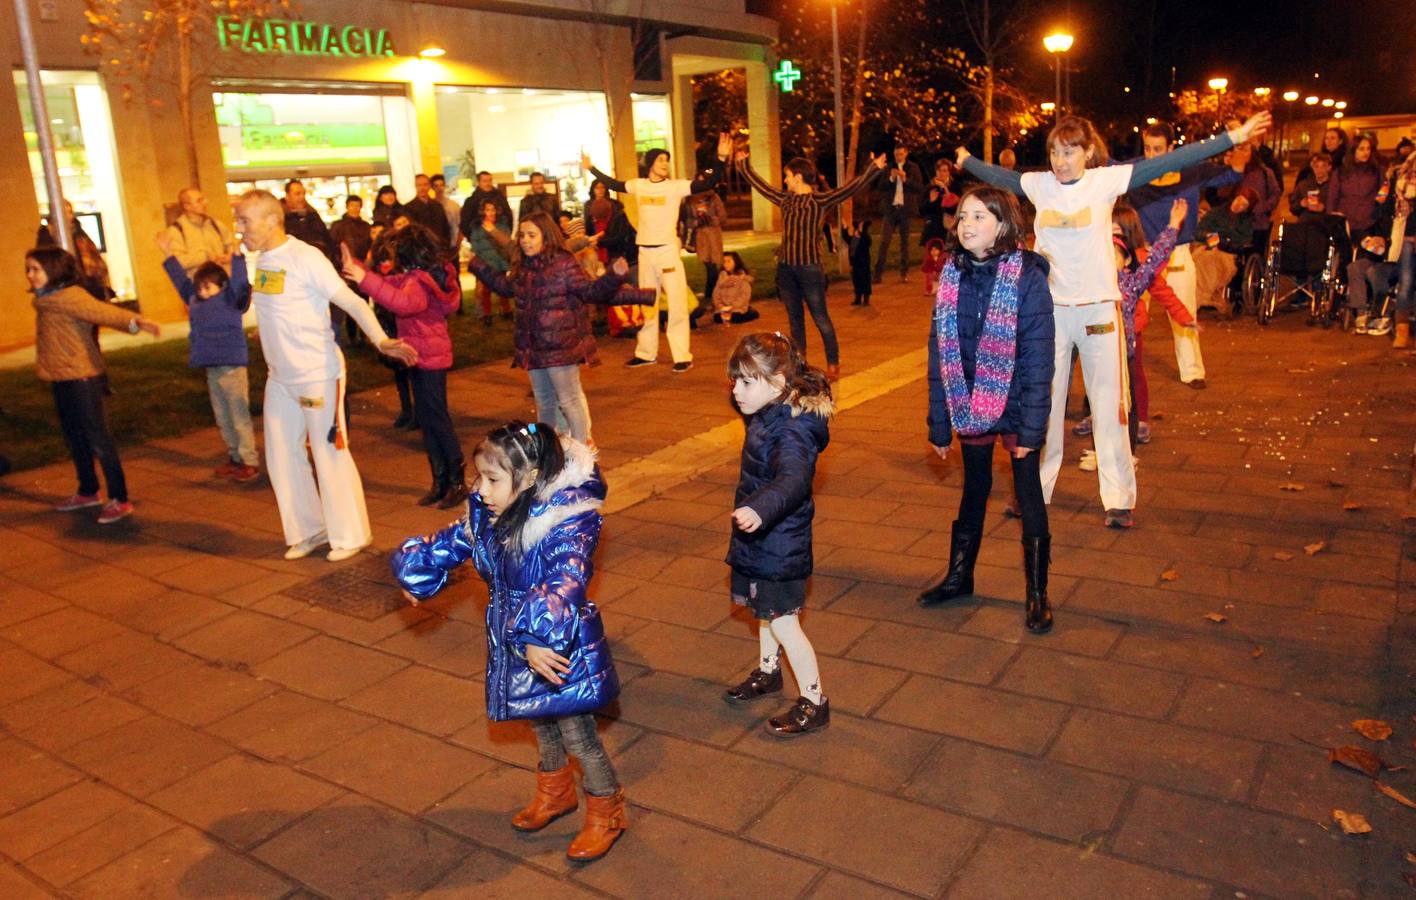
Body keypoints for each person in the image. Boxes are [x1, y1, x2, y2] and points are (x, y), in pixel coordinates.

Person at [958, 110, 1272, 528]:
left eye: (1069, 152)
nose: (1060, 160)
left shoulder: (1104, 182)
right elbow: (999, 176)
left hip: (1098, 312)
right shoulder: (1040, 186)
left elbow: (1170, 162)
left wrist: (1232, 136)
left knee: (1109, 405)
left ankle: (1118, 499)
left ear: (1088, 153)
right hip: (1049, 315)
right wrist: (965, 161)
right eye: (1054, 152)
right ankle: (1035, 492)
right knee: (1041, 407)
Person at [394, 421, 626, 862]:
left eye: (493, 479)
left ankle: (607, 811)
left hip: (557, 645)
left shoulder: (569, 520)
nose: (481, 490)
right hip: (516, 640)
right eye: (479, 477)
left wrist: (540, 635)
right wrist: (416, 570)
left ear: (532, 478)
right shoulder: (492, 514)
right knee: (538, 722)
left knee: (578, 735)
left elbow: (566, 578)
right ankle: (556, 793)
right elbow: (452, 542)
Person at [233, 189, 417, 561]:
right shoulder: (264, 259)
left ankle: (351, 535)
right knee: (282, 455)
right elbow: (276, 306)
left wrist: (380, 340)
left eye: (244, 221)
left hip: (317, 373)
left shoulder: (305, 256)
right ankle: (309, 530)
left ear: (271, 220)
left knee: (329, 452)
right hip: (279, 377)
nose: (239, 230)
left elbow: (349, 300)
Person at [917, 187, 1055, 631]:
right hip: (970, 401)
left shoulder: (1028, 276)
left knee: (1027, 492)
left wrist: (1032, 431)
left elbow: (1039, 358)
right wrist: (940, 423)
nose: (967, 223)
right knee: (974, 488)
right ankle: (960, 577)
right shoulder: (952, 275)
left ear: (1004, 224)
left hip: (1016, 404)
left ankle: (1037, 593)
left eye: (979, 215)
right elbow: (940, 354)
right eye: (963, 216)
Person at [721, 332, 836, 735]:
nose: (736, 391)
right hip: (761, 538)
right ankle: (769, 672)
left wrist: (759, 507)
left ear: (780, 384)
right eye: (734, 381)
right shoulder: (768, 411)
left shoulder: (792, 429)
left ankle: (814, 699)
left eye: (746, 382)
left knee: (784, 622)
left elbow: (794, 479)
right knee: (765, 612)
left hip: (779, 542)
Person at [467, 212, 655, 445]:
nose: (525, 240)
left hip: (561, 346)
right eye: (523, 235)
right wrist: (477, 265)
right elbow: (505, 287)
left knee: (569, 400)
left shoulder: (564, 263)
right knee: (544, 403)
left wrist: (614, 276)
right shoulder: (524, 266)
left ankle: (580, 452)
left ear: (546, 236)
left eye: (531, 235)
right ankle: (546, 450)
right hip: (533, 348)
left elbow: (591, 292)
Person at [28, 246, 160, 524]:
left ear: (53, 270)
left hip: (82, 378)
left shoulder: (70, 297)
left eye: (35, 269)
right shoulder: (46, 299)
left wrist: (136, 322)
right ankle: (88, 490)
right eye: (28, 269)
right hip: (61, 378)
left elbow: (103, 312)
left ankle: (120, 498)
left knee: (98, 438)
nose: (30, 275)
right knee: (75, 438)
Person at [583, 134, 733, 373]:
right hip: (645, 253)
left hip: (667, 252)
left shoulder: (675, 187)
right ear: (651, 163)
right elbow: (613, 184)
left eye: (667, 161)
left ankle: (682, 355)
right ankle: (646, 353)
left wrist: (721, 158)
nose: (665, 164)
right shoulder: (639, 185)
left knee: (676, 303)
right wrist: (591, 168)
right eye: (661, 160)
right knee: (647, 303)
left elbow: (707, 183)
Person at [342, 224, 466, 509]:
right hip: (419, 355)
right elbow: (391, 286)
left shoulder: (419, 282)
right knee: (428, 418)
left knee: (437, 419)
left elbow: (403, 303)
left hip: (429, 357)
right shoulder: (417, 277)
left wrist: (362, 276)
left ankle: (455, 481)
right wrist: (360, 269)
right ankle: (440, 480)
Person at [736, 150, 886, 381]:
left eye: (787, 176)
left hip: (810, 269)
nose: (784, 181)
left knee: (820, 318)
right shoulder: (785, 199)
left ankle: (833, 363)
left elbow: (850, 189)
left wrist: (872, 167)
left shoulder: (819, 200)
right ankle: (798, 364)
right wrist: (744, 164)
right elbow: (762, 186)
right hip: (786, 268)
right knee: (795, 319)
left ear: (798, 176)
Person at [1124, 121, 1244, 388]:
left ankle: (1192, 371)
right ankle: (1123, 369)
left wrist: (1240, 142)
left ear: (1172, 147)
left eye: (1158, 149)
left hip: (1177, 252)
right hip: (1142, 252)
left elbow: (1233, 173)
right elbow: (1103, 167)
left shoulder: (1189, 169)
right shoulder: (1136, 169)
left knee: (1185, 310)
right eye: (1148, 148)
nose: (1153, 155)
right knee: (1129, 314)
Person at [156, 231, 259, 482]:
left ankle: (250, 461)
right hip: (212, 368)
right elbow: (181, 281)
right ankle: (235, 457)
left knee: (239, 417)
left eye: (207, 287)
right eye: (200, 288)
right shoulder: (195, 299)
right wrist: (168, 254)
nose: (202, 292)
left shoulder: (230, 299)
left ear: (221, 285)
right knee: (223, 417)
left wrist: (236, 256)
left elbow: (240, 282)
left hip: (232, 368)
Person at [583, 180, 639, 338]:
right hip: (615, 256)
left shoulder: (617, 217)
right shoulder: (610, 214)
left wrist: (599, 242)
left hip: (623, 257)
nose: (596, 222)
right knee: (616, 288)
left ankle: (625, 323)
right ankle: (619, 323)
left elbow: (618, 239)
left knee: (622, 288)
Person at [37, 201, 112, 301]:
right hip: (62, 289)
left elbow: (95, 262)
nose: (68, 216)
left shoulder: (80, 234)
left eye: (69, 212)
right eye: (64, 212)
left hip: (87, 286)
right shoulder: (45, 238)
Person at [874, 145, 924, 283]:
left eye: (901, 154)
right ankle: (878, 273)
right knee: (884, 241)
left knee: (904, 243)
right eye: (896, 154)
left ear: (906, 153)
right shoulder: (889, 167)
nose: (898, 157)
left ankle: (904, 273)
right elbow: (880, 186)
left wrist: (905, 179)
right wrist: (891, 178)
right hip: (890, 209)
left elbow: (919, 187)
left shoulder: (913, 168)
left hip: (906, 210)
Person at [165, 188, 235, 276]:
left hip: (224, 281)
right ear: (187, 206)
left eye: (204, 199)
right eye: (199, 201)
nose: (205, 203)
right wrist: (205, 256)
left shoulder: (215, 224)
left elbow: (231, 243)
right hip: (198, 286)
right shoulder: (176, 230)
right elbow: (176, 263)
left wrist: (230, 256)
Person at [465, 200, 515, 325]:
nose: (490, 212)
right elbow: (475, 245)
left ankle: (506, 311)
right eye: (487, 210)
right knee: (485, 291)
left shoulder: (502, 226)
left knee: (503, 287)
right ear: (483, 211)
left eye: (492, 209)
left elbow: (507, 243)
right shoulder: (477, 228)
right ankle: (487, 314)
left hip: (500, 262)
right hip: (486, 264)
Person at [681, 186, 727, 319]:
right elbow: (685, 219)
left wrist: (712, 219)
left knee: (715, 266)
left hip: (713, 234)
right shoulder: (689, 200)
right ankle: (711, 296)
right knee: (709, 266)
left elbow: (723, 217)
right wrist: (696, 221)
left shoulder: (713, 198)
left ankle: (711, 296)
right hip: (701, 236)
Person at [1329, 136, 1385, 244]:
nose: (1366, 152)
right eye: (1361, 149)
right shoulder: (1341, 172)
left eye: (1368, 149)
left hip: (1369, 223)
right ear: (1353, 150)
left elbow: (1383, 196)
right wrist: (1333, 218)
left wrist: (1376, 212)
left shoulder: (1377, 171)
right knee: (1346, 257)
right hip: (1345, 224)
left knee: (1366, 256)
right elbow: (1332, 197)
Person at [282, 180, 334, 262]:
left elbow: (328, 241)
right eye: (297, 194)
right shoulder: (280, 220)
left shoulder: (313, 215)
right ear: (287, 196)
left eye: (303, 193)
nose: (302, 197)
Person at [459, 170, 514, 240]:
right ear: (478, 182)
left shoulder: (500, 198)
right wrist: (473, 238)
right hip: (479, 238)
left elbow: (508, 216)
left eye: (490, 180)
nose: (488, 183)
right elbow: (465, 222)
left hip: (500, 238)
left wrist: (506, 235)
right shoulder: (471, 201)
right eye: (485, 181)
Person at [919, 158, 960, 246]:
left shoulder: (955, 186)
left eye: (945, 171)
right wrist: (931, 201)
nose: (942, 173)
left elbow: (957, 207)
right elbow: (921, 210)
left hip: (949, 227)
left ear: (949, 172)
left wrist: (945, 190)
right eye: (939, 171)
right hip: (933, 228)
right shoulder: (930, 187)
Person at [404, 173, 453, 246]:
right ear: (415, 186)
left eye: (425, 184)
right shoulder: (408, 208)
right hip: (421, 248)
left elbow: (445, 228)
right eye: (419, 185)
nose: (422, 188)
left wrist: (446, 243)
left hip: (440, 246)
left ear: (430, 186)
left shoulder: (438, 206)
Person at [711, 251, 759, 323]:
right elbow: (716, 293)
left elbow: (744, 295)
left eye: (729, 261)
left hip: (737, 308)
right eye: (724, 262)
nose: (726, 264)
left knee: (736, 317)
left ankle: (751, 312)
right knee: (717, 318)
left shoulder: (742, 278)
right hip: (723, 308)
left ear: (736, 262)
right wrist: (720, 305)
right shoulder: (721, 278)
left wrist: (732, 306)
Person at [329, 195, 373, 267]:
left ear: (361, 207)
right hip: (344, 264)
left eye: (357, 206)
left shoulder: (366, 226)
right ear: (347, 207)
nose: (355, 209)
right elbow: (332, 245)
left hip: (363, 264)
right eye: (352, 205)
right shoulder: (338, 225)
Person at [843, 220, 873, 306]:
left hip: (864, 265)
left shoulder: (865, 239)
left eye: (858, 231)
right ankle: (858, 298)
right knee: (856, 281)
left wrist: (861, 231)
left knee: (865, 281)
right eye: (856, 230)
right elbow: (847, 238)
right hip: (855, 265)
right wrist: (845, 228)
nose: (856, 232)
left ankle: (866, 299)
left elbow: (867, 241)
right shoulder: (853, 239)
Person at [429, 174, 463, 252]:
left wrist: (458, 244)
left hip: (452, 245)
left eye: (441, 185)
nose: (439, 188)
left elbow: (460, 226)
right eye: (436, 186)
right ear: (432, 188)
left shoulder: (454, 205)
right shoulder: (429, 206)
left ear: (444, 186)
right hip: (436, 246)